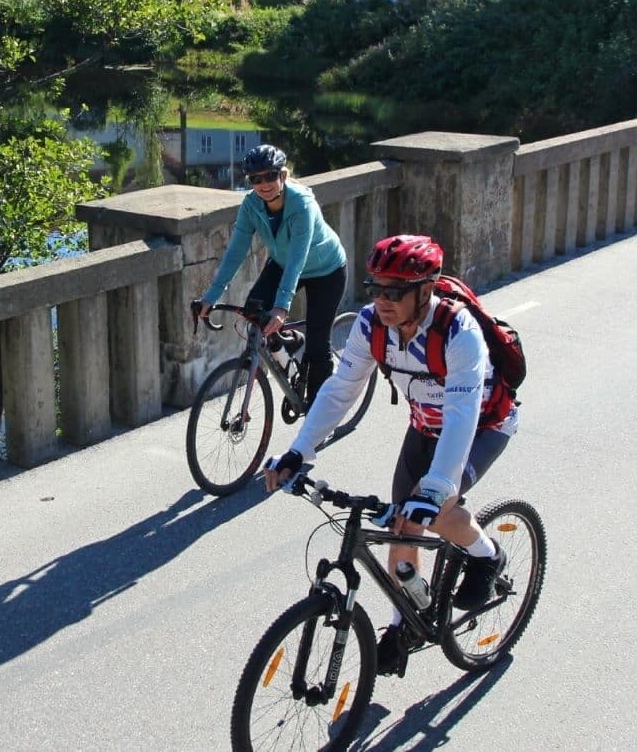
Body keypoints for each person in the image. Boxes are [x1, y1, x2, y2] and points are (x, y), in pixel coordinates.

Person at [263, 234, 519, 678]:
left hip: (482, 425)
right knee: (402, 522)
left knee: (431, 511)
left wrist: (438, 488)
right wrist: (298, 452)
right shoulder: (370, 325)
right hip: (424, 425)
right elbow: (340, 391)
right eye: (375, 288)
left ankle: (486, 555)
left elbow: (461, 415)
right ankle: (406, 623)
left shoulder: (459, 332)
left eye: (394, 291)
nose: (382, 300)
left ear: (426, 289)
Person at [197, 144, 347, 406]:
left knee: (317, 347)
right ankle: (288, 343)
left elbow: (298, 259)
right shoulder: (251, 205)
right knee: (252, 311)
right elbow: (235, 252)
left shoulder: (302, 205)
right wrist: (210, 296)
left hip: (326, 270)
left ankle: (318, 417)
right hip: (282, 262)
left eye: (270, 176)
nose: (263, 184)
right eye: (256, 179)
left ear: (283, 175)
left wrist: (282, 306)